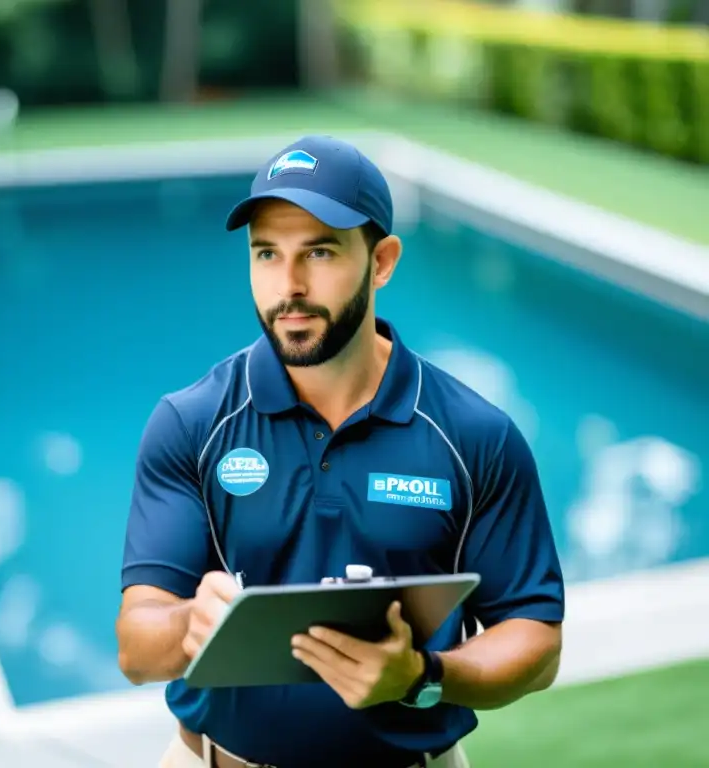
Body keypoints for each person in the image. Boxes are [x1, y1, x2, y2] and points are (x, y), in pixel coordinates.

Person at [116, 135, 565, 768]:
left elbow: (536, 642)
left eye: (319, 252)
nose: (289, 285)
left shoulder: (474, 435)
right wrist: (189, 623)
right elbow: (137, 646)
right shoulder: (192, 423)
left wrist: (422, 674)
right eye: (266, 253)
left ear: (381, 261)